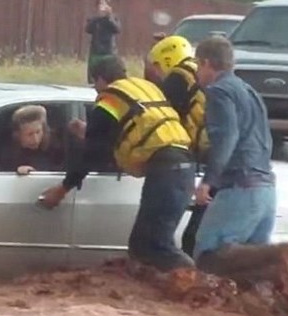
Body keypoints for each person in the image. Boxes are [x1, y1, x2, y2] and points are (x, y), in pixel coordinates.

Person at [39, 55, 196, 272]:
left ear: (101, 79)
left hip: (166, 171)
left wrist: (63, 188)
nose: (95, 89)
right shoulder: (144, 89)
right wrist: (90, 132)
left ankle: (200, 284)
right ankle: (157, 298)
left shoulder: (109, 100)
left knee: (156, 246)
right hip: (182, 165)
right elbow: (133, 130)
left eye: (94, 83)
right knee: (141, 247)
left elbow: (91, 153)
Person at [191, 36, 284, 283]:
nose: (197, 74)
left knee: (207, 255)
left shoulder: (218, 91)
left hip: (240, 187)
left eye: (197, 66)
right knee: (251, 271)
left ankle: (282, 262)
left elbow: (226, 137)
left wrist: (208, 182)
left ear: (207, 63)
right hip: (265, 189)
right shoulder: (249, 91)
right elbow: (266, 139)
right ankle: (276, 292)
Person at [148, 35, 210, 257]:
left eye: (156, 66)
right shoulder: (199, 75)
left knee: (185, 240)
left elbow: (160, 120)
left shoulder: (176, 78)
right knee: (195, 236)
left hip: (192, 163)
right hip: (211, 161)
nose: (156, 72)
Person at [0, 105, 64, 174]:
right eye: (30, 134)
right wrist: (16, 170)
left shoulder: (57, 148)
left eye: (38, 132)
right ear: (17, 135)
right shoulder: (8, 153)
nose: (35, 139)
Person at [85, 0, 121, 84]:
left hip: (108, 51)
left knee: (109, 78)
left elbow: (117, 29)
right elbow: (88, 29)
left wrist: (108, 17)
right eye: (100, 4)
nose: (102, 6)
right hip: (96, 52)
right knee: (94, 79)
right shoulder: (94, 19)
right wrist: (98, 17)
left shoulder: (113, 18)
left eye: (104, 4)